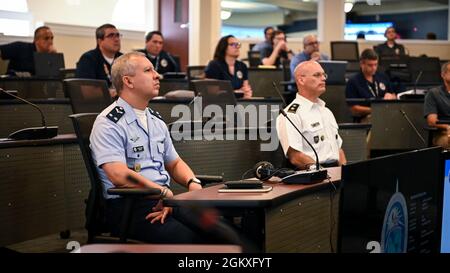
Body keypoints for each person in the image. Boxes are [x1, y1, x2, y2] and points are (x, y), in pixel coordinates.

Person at [89, 52, 205, 243]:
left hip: (164, 201)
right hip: (130, 208)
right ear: (128, 81)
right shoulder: (108, 123)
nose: (157, 75)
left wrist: (193, 182)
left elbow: (174, 163)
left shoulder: (155, 120)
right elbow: (118, 175)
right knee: (194, 240)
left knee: (221, 229)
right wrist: (161, 192)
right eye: (148, 70)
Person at [276, 61, 347, 170]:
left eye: (324, 75)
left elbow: (339, 149)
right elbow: (295, 157)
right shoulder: (290, 114)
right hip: (312, 175)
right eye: (317, 75)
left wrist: (345, 173)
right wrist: (324, 173)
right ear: (301, 80)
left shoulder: (326, 111)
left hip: (336, 173)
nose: (323, 78)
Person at [345, 49, 397, 119]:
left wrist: (391, 96)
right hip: (366, 118)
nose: (374, 68)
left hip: (386, 115)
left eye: (375, 64)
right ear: (362, 64)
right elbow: (353, 108)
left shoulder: (383, 77)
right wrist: (375, 110)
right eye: (370, 65)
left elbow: (394, 95)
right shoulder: (353, 82)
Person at [76, 24, 122, 96]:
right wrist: (109, 93)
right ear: (100, 41)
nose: (116, 39)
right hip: (97, 104)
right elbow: (86, 90)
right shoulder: (88, 59)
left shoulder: (123, 59)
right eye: (111, 36)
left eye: (117, 35)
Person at [424, 61, 450, 149]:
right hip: (442, 133)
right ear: (443, 74)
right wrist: (447, 127)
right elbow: (431, 121)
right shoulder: (434, 93)